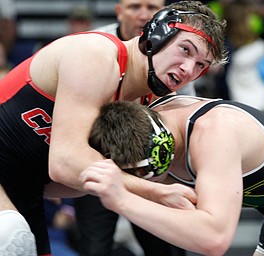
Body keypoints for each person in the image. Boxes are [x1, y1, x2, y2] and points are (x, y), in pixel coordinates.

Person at [0, 1, 227, 255]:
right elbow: (64, 164)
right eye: (185, 50)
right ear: (155, 36)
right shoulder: (96, 55)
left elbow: (64, 180)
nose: (188, 70)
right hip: (12, 175)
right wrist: (156, 193)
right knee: (10, 234)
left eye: (200, 65)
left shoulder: (152, 102)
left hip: (24, 185)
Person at [82, 95, 264, 256]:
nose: (157, 177)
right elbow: (66, 175)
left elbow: (214, 238)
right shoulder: (146, 123)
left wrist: (123, 200)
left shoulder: (215, 131)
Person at [75, 1, 195, 255]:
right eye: (134, 7)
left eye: (151, 7)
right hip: (97, 159)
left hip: (151, 165)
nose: (143, 15)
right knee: (94, 248)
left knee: (165, 249)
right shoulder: (93, 45)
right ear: (119, 11)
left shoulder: (176, 52)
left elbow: (184, 113)